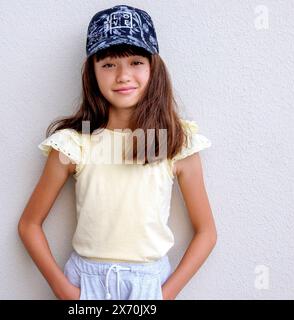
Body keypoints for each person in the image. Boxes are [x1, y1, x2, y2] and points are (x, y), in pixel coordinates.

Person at [18, 4, 217, 300]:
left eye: (136, 62)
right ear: (92, 73)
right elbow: (29, 225)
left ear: (153, 67)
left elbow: (207, 232)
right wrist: (66, 292)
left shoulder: (175, 141)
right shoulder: (75, 143)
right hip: (87, 284)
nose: (123, 76)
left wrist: (165, 294)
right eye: (109, 64)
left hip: (149, 285)